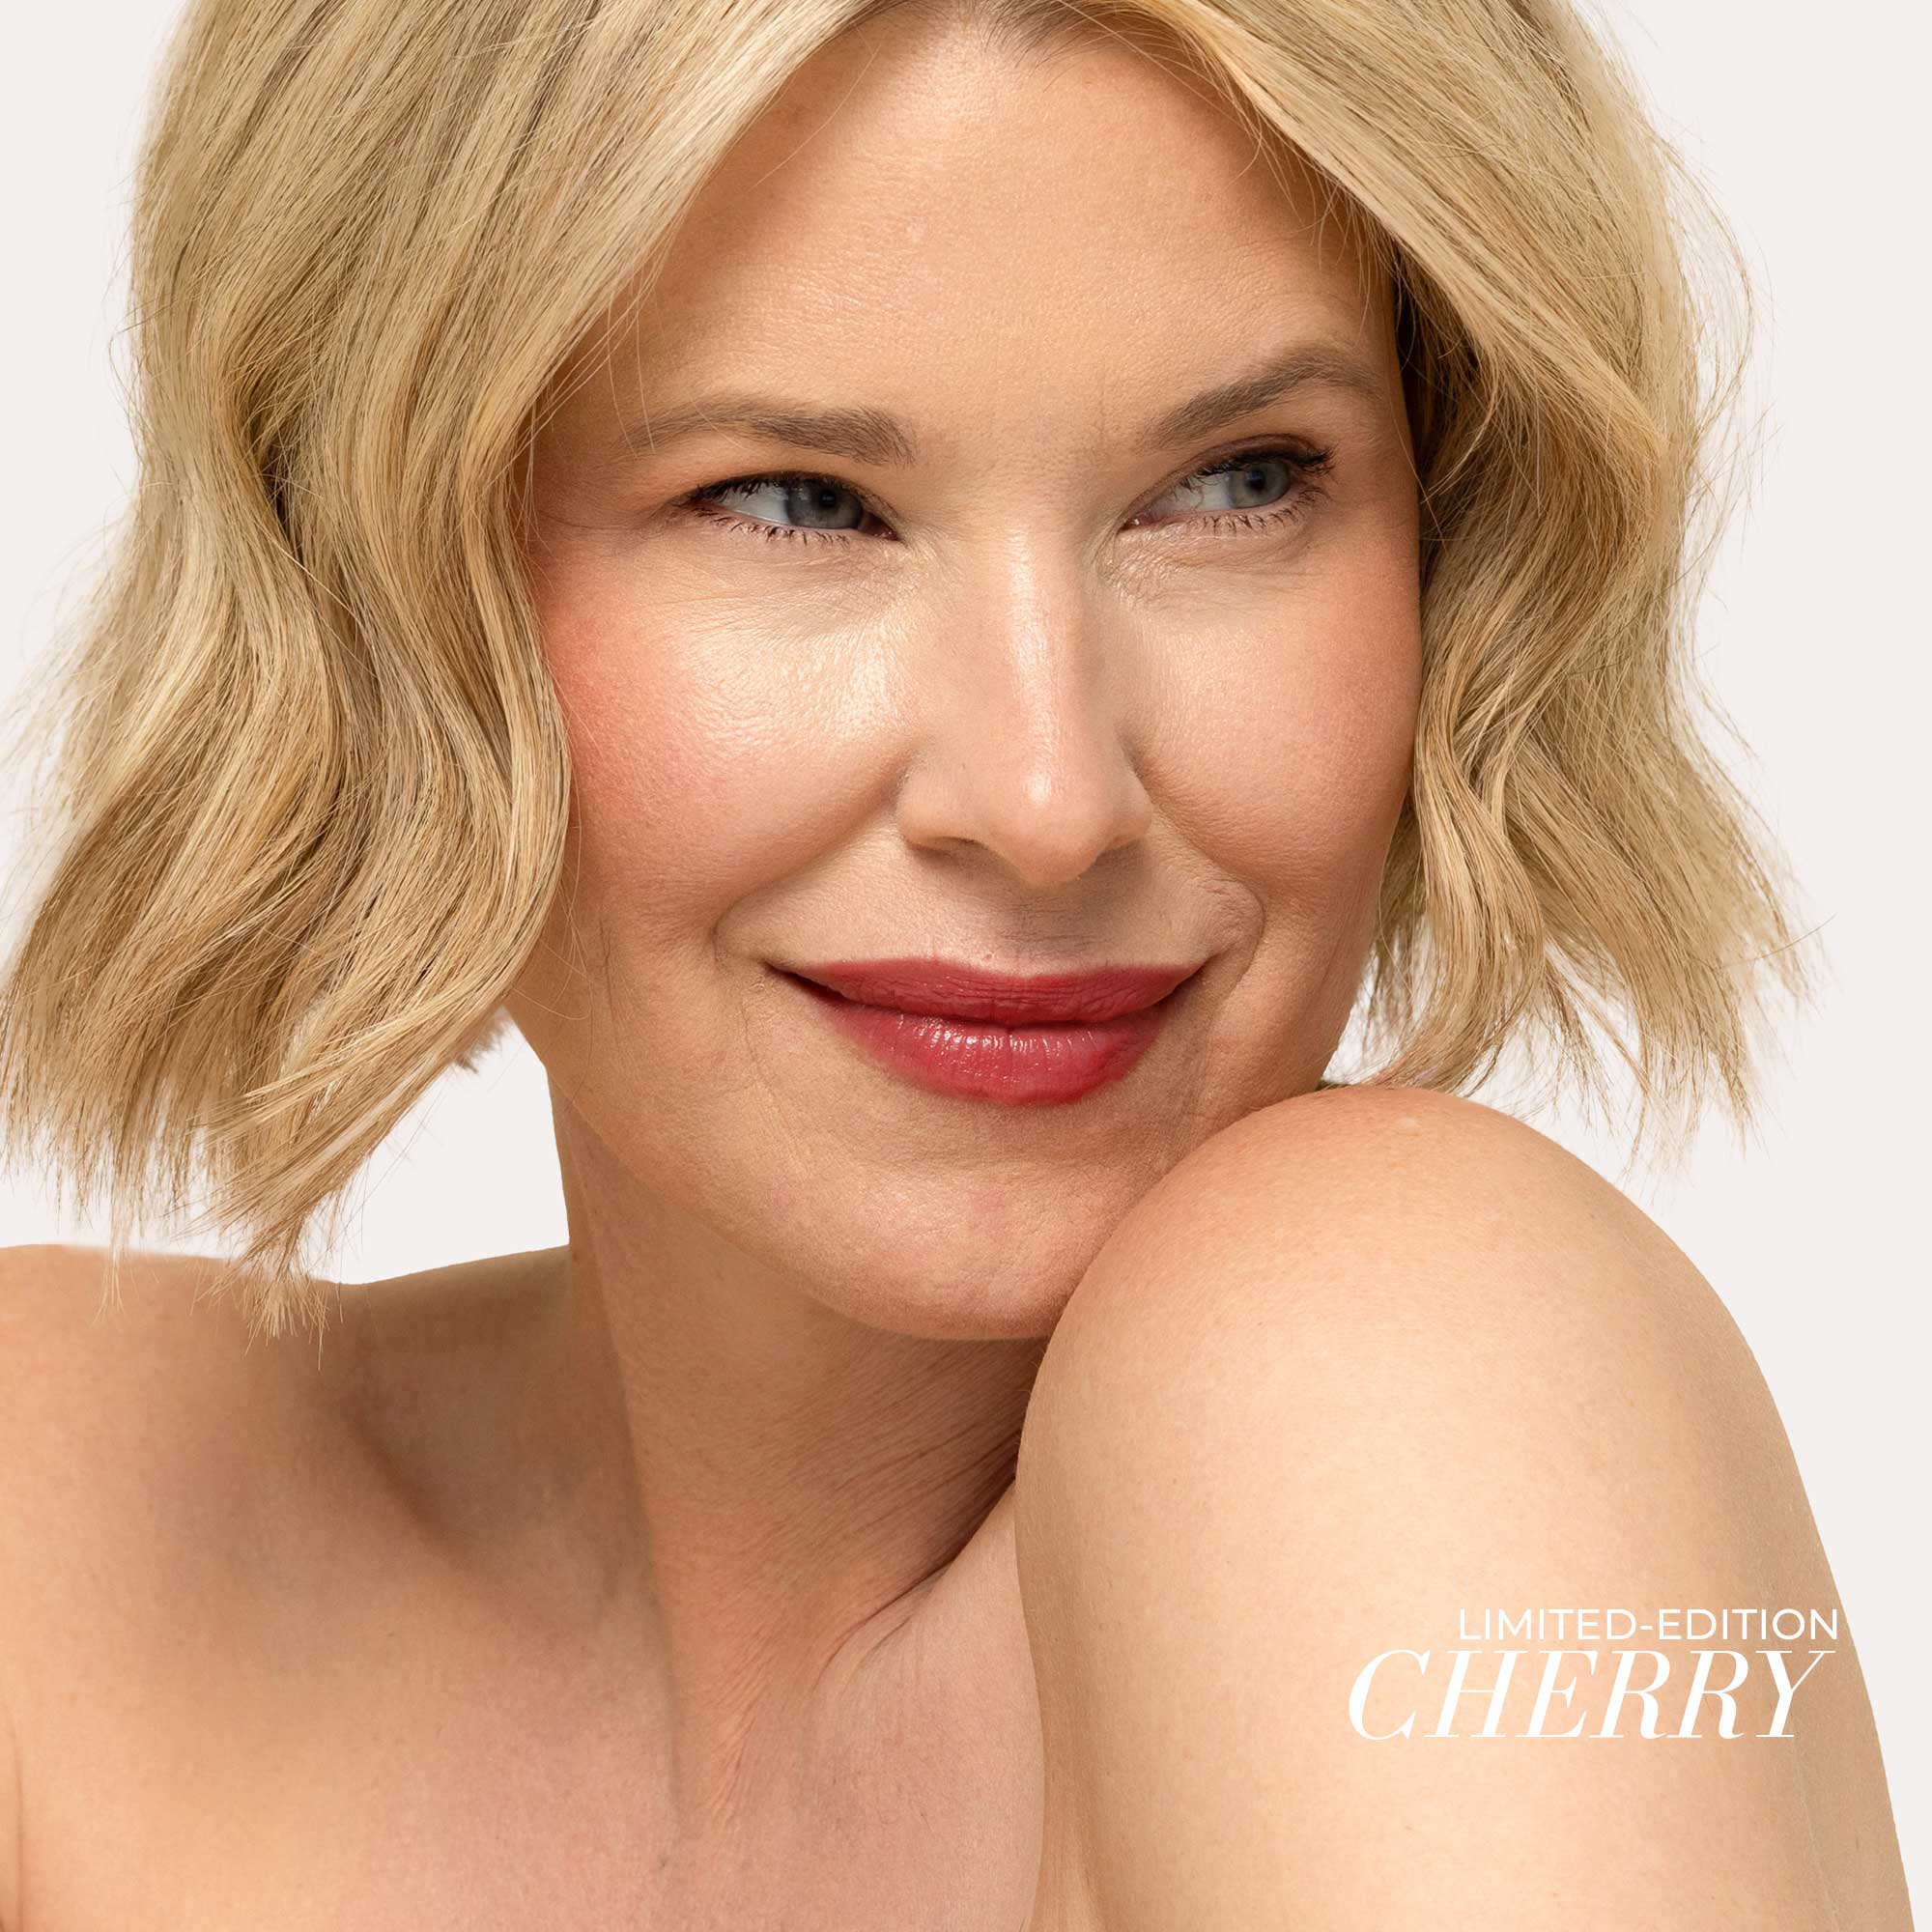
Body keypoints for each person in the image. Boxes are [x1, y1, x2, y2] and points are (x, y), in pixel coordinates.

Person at [0, 0, 1913, 1925]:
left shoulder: (1399, 1369)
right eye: (795, 503)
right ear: (365, 578)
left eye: (1236, 481)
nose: (1049, 798)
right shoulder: (62, 1536)